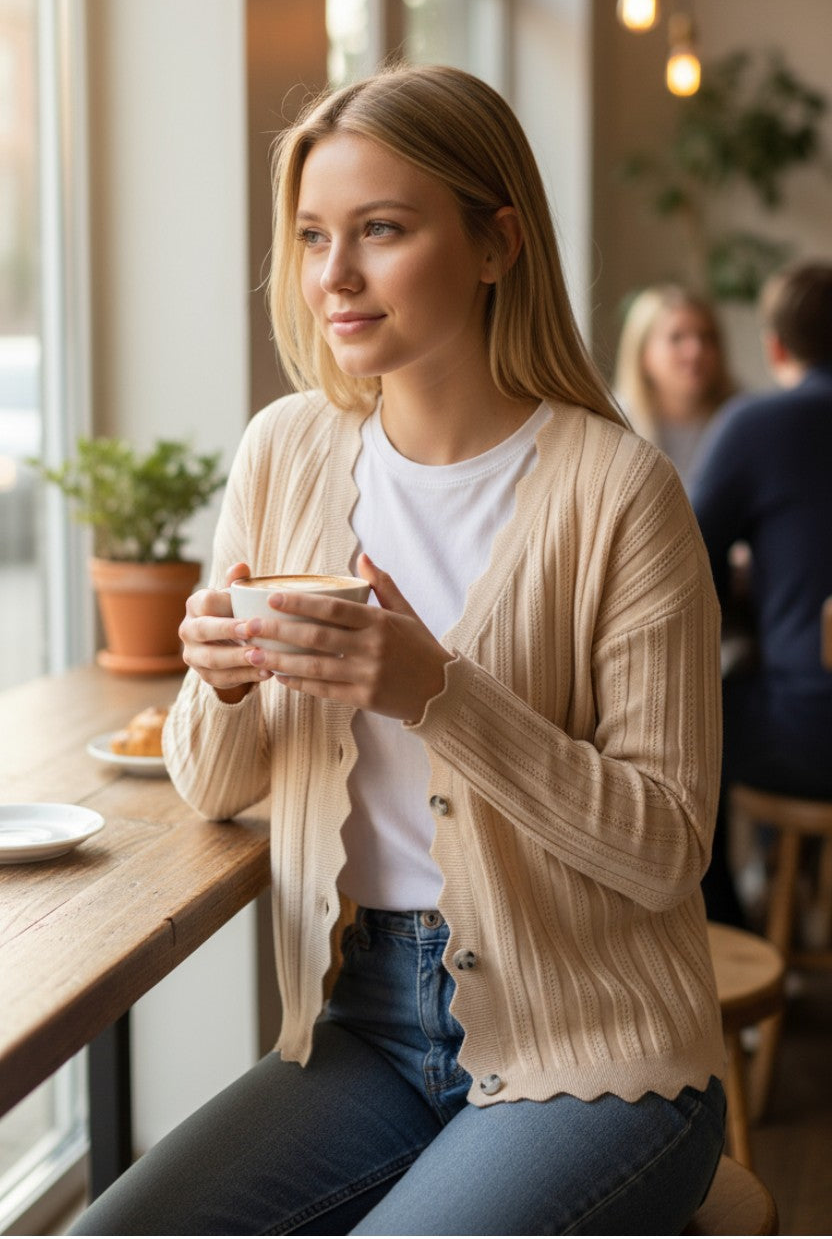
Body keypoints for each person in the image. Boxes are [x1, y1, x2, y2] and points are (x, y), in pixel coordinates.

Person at [71, 65, 726, 1236]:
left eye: (382, 229)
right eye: (315, 235)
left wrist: (439, 694)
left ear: (494, 244)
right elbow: (213, 785)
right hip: (363, 1024)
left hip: (600, 1047)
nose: (334, 275)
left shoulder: (621, 492)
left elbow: (667, 848)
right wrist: (218, 682)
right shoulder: (284, 453)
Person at [691, 260, 832, 927]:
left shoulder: (757, 424)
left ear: (775, 347)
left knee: (693, 721)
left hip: (808, 740)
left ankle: (726, 930)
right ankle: (801, 890)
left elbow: (686, 563)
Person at [613, 284, 736, 488]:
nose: (696, 350)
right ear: (643, 353)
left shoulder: (741, 417)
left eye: (707, 337)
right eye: (676, 338)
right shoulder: (616, 424)